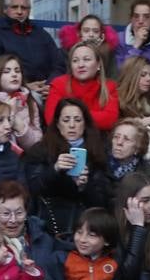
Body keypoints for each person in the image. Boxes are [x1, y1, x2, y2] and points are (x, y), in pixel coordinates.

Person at [22, 97, 111, 239]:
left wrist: (84, 186)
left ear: (85, 123)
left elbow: (104, 200)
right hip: (51, 223)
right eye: (66, 120)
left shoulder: (98, 151)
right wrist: (55, 170)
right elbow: (32, 188)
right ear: (57, 124)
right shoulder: (41, 150)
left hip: (87, 223)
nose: (72, 125)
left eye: (77, 120)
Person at [0, 0, 63, 84]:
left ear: (29, 11)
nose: (19, 12)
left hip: (46, 90)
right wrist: (25, 86)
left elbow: (59, 65)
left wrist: (49, 84)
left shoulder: (42, 34)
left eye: (24, 8)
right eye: (14, 7)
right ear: (5, 9)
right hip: (12, 92)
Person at [0, 53, 44, 150]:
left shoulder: (30, 102)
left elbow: (36, 143)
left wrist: (17, 122)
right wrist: (8, 113)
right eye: (7, 71)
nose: (14, 74)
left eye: (17, 71)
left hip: (26, 159)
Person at [47, 40, 120, 132]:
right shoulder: (59, 84)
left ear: (98, 64)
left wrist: (70, 117)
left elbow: (110, 120)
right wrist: (92, 117)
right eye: (75, 61)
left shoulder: (109, 86)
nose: (80, 65)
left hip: (98, 140)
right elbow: (52, 119)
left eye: (87, 59)